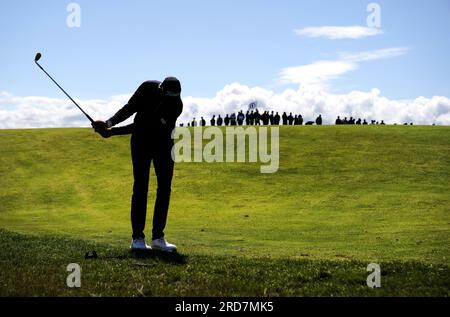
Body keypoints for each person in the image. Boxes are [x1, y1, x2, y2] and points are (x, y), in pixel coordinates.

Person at [92, 77, 183, 252]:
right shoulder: (147, 88)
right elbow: (129, 109)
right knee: (141, 186)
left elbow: (143, 125)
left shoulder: (176, 106)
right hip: (141, 143)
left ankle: (158, 237)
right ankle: (137, 239)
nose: (172, 99)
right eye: (169, 96)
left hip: (163, 143)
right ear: (161, 89)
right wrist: (108, 123)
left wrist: (111, 132)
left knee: (165, 188)